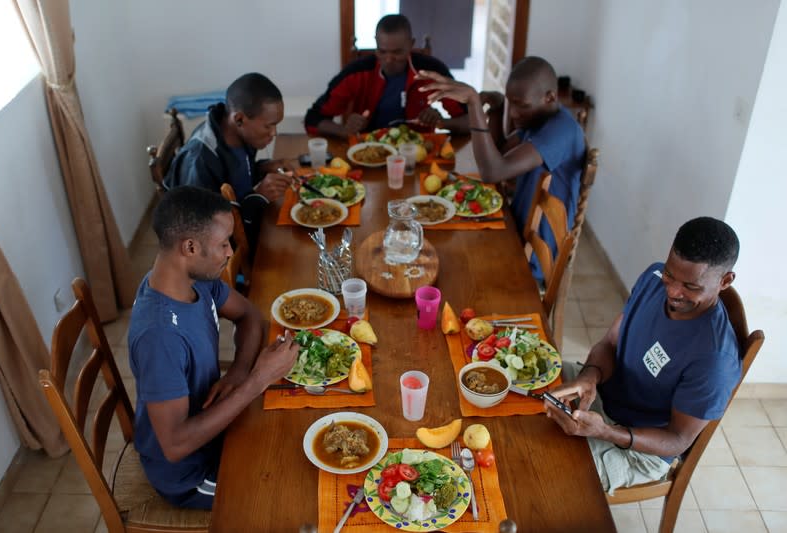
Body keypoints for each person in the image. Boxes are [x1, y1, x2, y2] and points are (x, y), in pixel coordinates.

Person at [127, 186, 299, 509]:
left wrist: (237, 373)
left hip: (219, 427)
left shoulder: (192, 279)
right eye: (223, 244)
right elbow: (175, 445)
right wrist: (256, 381)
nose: (230, 252)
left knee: (296, 437)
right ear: (190, 247)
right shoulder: (159, 336)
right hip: (191, 474)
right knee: (286, 492)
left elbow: (250, 316)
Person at [544, 217, 741, 494]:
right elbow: (610, 343)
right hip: (602, 396)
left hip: (639, 448)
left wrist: (606, 432)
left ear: (725, 281)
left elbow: (677, 440)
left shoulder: (714, 360)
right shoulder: (653, 278)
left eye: (691, 287)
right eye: (670, 275)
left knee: (542, 477)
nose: (672, 291)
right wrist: (589, 376)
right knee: (520, 389)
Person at [418, 57, 585, 281]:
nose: (514, 113)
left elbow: (492, 171)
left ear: (550, 97)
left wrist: (474, 104)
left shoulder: (560, 131)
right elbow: (500, 153)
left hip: (531, 258)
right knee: (442, 250)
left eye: (521, 105)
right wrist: (496, 110)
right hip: (515, 232)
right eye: (510, 103)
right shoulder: (540, 119)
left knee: (450, 270)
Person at [164, 73, 294, 252]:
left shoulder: (238, 134)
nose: (274, 133)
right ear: (239, 119)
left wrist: (262, 168)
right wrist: (257, 197)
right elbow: (205, 236)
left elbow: (235, 178)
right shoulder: (201, 160)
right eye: (269, 126)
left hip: (245, 223)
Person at [304, 14, 469, 138]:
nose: (389, 60)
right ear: (376, 44)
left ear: (411, 45)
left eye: (397, 52)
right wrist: (345, 131)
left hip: (419, 154)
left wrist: (441, 123)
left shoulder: (432, 71)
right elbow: (312, 119)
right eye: (382, 51)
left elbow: (470, 121)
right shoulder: (356, 72)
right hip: (367, 151)